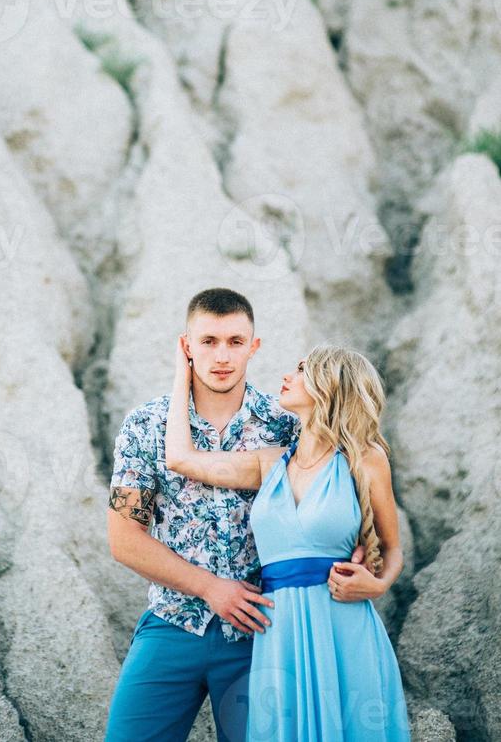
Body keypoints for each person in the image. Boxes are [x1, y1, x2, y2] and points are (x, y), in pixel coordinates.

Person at [105, 288, 370, 742]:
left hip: (265, 632)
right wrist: (211, 589)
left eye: (235, 341)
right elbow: (124, 540)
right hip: (172, 623)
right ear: (186, 346)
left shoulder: (288, 424)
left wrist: (362, 561)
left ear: (255, 346)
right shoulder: (145, 426)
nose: (222, 355)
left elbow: (344, 500)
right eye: (208, 341)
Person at [166, 336, 411, 742]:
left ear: (328, 384)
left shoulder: (365, 459)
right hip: (278, 632)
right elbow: (180, 459)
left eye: (300, 369)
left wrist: (379, 584)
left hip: (342, 626)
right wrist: (183, 373)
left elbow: (392, 547)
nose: (286, 375)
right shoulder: (269, 463)